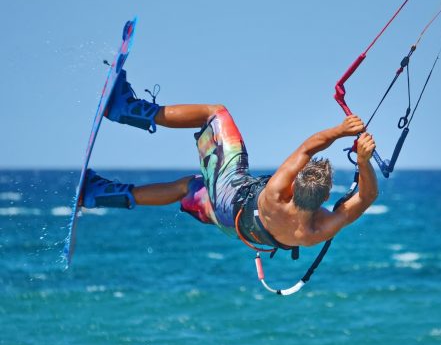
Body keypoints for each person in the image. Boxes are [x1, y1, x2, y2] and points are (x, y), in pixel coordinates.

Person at [82, 71, 378, 252]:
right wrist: (363, 161)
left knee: (215, 113)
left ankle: (126, 108)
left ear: (295, 184)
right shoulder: (319, 229)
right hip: (235, 226)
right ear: (324, 197)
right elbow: (367, 196)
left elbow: (307, 148)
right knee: (188, 188)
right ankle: (99, 195)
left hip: (231, 196)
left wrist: (340, 131)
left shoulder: (276, 192)